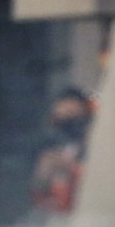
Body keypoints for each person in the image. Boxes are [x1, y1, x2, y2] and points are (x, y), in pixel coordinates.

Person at [31, 87, 94, 216]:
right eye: (64, 106)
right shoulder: (48, 137)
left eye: (72, 108)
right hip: (51, 195)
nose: (67, 110)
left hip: (84, 186)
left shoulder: (90, 132)